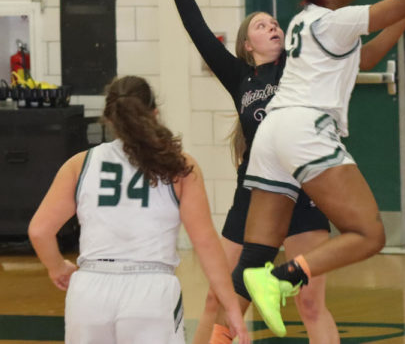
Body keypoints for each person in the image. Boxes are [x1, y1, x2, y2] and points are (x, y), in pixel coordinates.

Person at [212, 0, 405, 339]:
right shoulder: (336, 21)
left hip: (272, 135)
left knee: (253, 257)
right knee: (369, 234)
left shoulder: (307, 21)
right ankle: (287, 277)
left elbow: (367, 57)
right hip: (304, 131)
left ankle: (250, 299)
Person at [162, 0, 373, 344]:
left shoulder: (301, 56)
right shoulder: (239, 77)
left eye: (274, 22)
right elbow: (197, 31)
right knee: (221, 299)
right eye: (261, 25)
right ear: (246, 45)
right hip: (254, 193)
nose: (273, 26)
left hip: (305, 190)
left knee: (311, 301)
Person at [27, 76, 250, 344]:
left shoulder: (80, 164)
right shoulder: (179, 165)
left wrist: (57, 268)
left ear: (109, 119)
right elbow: (206, 244)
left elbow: (39, 230)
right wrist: (232, 307)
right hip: (150, 291)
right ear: (154, 114)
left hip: (90, 290)